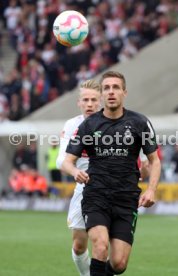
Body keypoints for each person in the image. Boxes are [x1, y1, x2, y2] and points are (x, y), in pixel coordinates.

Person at [62, 71, 161, 276]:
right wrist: (75, 171)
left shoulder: (139, 123)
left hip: (126, 198)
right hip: (96, 195)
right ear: (103, 95)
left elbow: (154, 160)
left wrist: (151, 190)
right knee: (100, 246)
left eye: (116, 87)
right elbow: (67, 160)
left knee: (119, 264)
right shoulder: (88, 125)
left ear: (124, 92)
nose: (111, 92)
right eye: (106, 88)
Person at [56, 79, 102, 276]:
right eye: (86, 100)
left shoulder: (113, 123)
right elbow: (60, 161)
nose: (89, 104)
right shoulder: (72, 125)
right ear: (79, 102)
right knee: (79, 245)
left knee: (101, 243)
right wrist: (75, 172)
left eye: (93, 100)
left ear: (100, 102)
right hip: (83, 189)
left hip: (109, 187)